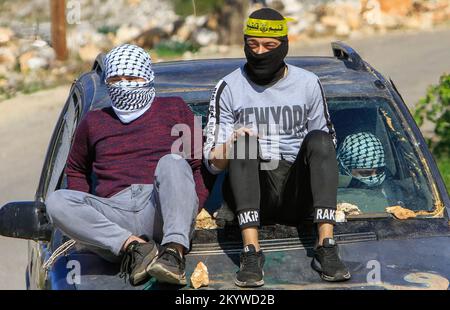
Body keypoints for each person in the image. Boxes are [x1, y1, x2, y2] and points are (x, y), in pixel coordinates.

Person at [203, 8, 351, 287]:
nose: (260, 52)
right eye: (253, 45)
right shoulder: (228, 87)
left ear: (284, 45)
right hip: (254, 190)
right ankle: (251, 251)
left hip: (298, 192)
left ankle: (326, 244)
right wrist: (234, 141)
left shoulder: (308, 83)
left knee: (320, 139)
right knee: (245, 143)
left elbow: (327, 144)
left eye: (270, 46)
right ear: (245, 43)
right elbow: (212, 162)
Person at [45, 44, 207, 286]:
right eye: (116, 78)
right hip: (114, 215)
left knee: (173, 162)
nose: (123, 84)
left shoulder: (176, 108)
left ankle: (173, 253)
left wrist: (191, 209)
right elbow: (76, 170)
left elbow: (197, 166)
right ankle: (135, 248)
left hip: (161, 208)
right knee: (56, 201)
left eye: (132, 77)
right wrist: (91, 221)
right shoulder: (93, 121)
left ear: (148, 76)